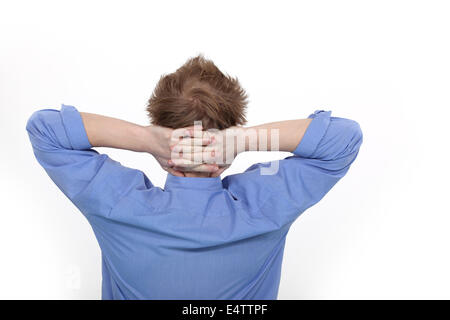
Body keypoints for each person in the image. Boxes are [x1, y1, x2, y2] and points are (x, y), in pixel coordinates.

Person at [26, 55, 363, 299]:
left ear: (161, 125)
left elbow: (45, 129)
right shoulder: (265, 206)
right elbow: (343, 139)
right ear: (229, 131)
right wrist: (242, 141)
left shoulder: (119, 204)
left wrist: (147, 139)